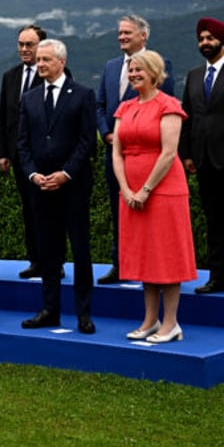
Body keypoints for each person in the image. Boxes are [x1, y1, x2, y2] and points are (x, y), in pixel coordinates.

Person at [113, 51, 195, 343]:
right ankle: (150, 320)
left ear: (154, 72)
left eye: (139, 70)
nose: (133, 74)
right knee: (145, 257)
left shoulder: (169, 105)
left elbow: (169, 153)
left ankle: (171, 323)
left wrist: (146, 189)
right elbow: (117, 152)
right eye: (131, 70)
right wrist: (125, 188)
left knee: (167, 256)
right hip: (132, 193)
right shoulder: (124, 108)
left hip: (163, 191)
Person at [18, 39, 97, 334]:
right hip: (40, 187)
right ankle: (49, 309)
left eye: (45, 60)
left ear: (61, 62)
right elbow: (23, 144)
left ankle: (83, 313)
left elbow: (87, 141)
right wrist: (33, 175)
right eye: (38, 60)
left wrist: (66, 173)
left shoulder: (83, 95)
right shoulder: (29, 98)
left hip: (73, 187)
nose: (39, 65)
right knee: (48, 252)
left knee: (80, 250)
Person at [96, 15, 175, 284]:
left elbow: (165, 104)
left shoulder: (159, 65)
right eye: (120, 33)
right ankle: (121, 265)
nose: (122, 37)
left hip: (149, 157)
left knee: (150, 214)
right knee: (120, 210)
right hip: (115, 153)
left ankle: (149, 268)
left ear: (144, 36)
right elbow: (100, 105)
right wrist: (107, 133)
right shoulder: (109, 67)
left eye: (127, 32)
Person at [0, 25, 47, 278]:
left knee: (48, 211)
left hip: (45, 157)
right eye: (21, 44)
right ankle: (35, 261)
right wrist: (3, 153)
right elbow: (5, 116)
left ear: (41, 46)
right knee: (29, 210)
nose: (24, 49)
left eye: (29, 44)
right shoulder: (10, 76)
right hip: (18, 157)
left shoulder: (52, 72)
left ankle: (53, 263)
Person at [180, 17, 224, 294]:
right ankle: (217, 276)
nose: (205, 43)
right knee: (214, 219)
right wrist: (186, 154)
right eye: (201, 39)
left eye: (210, 38)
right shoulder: (195, 75)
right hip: (204, 160)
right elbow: (187, 117)